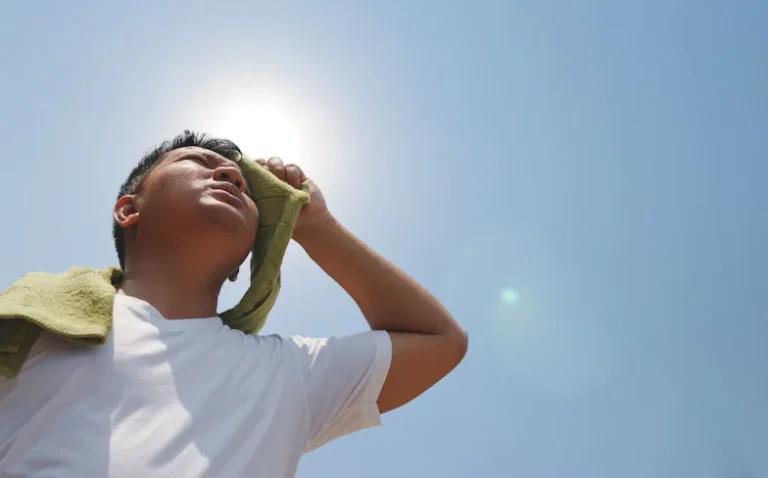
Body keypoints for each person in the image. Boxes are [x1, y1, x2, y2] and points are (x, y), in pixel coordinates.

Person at [0, 130, 468, 477]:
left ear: (241, 263)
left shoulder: (285, 374)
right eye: (198, 162)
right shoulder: (33, 323)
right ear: (129, 209)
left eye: (247, 189)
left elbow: (439, 341)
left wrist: (316, 226)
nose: (228, 175)